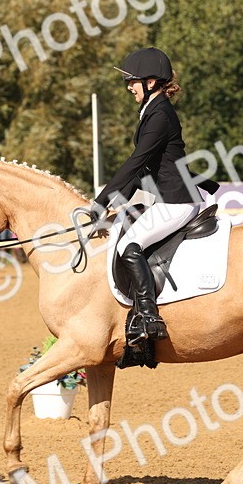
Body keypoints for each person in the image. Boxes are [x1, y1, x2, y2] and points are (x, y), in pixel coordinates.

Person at [92, 47, 219, 348]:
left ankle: (150, 317)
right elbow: (140, 172)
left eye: (133, 81)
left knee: (128, 244)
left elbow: (136, 161)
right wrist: (111, 202)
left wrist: (101, 201)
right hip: (167, 198)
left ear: (151, 82)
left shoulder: (160, 114)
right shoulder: (152, 111)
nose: (129, 86)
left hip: (176, 201)